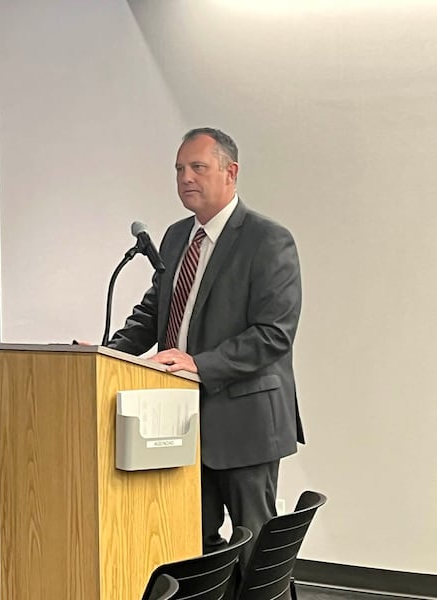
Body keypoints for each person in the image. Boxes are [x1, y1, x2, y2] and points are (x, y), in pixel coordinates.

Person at [107, 128, 304, 567]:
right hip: (180, 419)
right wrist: (107, 354)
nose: (185, 178)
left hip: (246, 422)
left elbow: (274, 333)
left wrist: (199, 364)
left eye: (198, 167)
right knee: (189, 538)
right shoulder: (177, 237)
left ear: (230, 172)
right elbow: (153, 313)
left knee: (252, 543)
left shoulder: (267, 240)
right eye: (179, 169)